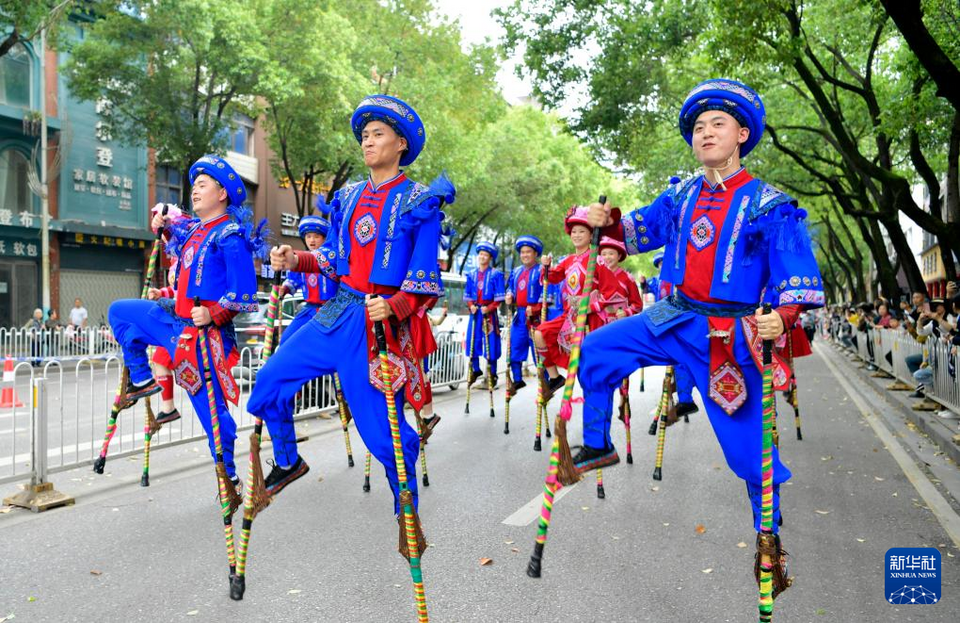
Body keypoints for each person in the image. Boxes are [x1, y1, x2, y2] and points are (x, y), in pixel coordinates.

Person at [578, 79, 824, 593]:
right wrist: (606, 222)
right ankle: (598, 443)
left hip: (728, 336)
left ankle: (769, 541)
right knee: (598, 349)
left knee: (747, 455)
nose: (705, 132)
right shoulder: (682, 194)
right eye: (697, 126)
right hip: (672, 316)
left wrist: (784, 312)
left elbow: (796, 275)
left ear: (741, 134)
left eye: (717, 124)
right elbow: (635, 233)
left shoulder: (769, 204)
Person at [249, 94, 446, 509]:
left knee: (382, 438)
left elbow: (426, 280)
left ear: (401, 145)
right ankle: (288, 460)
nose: (368, 142)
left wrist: (395, 306)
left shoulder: (422, 203)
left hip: (374, 332)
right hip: (334, 313)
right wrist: (295, 258)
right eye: (365, 136)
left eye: (378, 134)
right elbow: (335, 259)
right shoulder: (349, 197)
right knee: (267, 385)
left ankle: (405, 506)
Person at [109, 154, 266, 490]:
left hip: (202, 338)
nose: (194, 191)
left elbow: (245, 293)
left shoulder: (231, 235)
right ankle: (140, 379)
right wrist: (162, 223)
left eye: (202, 185)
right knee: (120, 312)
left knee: (213, 415)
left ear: (222, 193)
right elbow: (171, 221)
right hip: (172, 319)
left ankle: (229, 474)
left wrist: (214, 313)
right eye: (193, 185)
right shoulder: (194, 230)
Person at [533, 206, 620, 403]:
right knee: (540, 334)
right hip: (568, 317)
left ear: (591, 235)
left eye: (582, 231)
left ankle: (596, 404)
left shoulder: (597, 260)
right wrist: (545, 266)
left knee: (587, 369)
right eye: (574, 231)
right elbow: (552, 277)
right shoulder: (568, 260)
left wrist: (591, 303)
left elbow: (612, 292)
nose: (577, 235)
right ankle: (555, 378)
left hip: (591, 320)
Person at [504, 235, 544, 393]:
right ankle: (518, 379)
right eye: (522, 252)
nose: (525, 255)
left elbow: (548, 293)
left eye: (528, 252)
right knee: (514, 347)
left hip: (537, 317)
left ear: (535, 254)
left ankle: (545, 383)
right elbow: (511, 289)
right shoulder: (516, 271)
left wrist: (535, 308)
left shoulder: (542, 270)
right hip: (519, 316)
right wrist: (509, 296)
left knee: (538, 352)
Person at [463, 242, 505, 388]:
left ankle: (492, 374)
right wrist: (471, 306)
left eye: (485, 255)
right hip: (475, 313)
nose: (482, 257)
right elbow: (467, 295)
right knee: (472, 340)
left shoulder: (496, 275)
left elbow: (499, 298)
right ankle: (475, 370)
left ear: (490, 258)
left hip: (489, 314)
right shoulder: (471, 274)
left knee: (490, 344)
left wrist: (490, 308)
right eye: (480, 254)